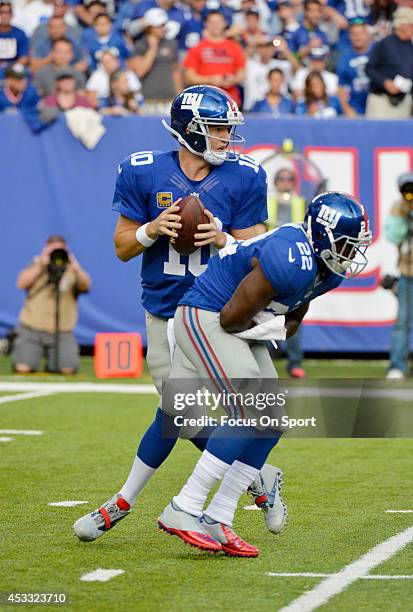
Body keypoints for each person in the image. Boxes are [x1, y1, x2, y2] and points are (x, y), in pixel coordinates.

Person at [73, 85, 285, 544]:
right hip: (167, 311)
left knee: (248, 409)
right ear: (191, 131)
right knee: (183, 414)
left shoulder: (245, 176)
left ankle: (129, 502)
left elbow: (261, 254)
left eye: (229, 128)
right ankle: (255, 478)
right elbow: (122, 246)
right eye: (218, 128)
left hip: (222, 312)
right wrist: (152, 229)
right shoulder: (143, 171)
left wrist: (223, 238)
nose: (228, 137)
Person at [156, 192, 372, 555]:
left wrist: (270, 326)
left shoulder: (328, 272)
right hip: (205, 313)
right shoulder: (290, 257)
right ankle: (185, 506)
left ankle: (218, 516)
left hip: (238, 322)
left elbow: (292, 321)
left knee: (272, 420)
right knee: (250, 410)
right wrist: (262, 326)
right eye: (346, 245)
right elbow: (229, 318)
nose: (351, 254)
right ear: (323, 237)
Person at [11, 235, 91, 374]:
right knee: (23, 368)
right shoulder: (37, 264)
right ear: (45, 250)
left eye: (60, 250)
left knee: (67, 369)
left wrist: (75, 267)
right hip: (32, 329)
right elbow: (21, 283)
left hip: (62, 331)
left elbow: (85, 286)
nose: (56, 254)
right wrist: (42, 264)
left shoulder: (72, 269)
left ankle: (55, 361)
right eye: (52, 250)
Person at [266, 168, 306, 377]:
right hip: (272, 262)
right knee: (261, 313)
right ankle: (264, 361)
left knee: (295, 314)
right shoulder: (269, 201)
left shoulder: (301, 202)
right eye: (281, 178)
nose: (285, 182)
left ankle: (295, 362)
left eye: (289, 178)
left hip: (295, 266)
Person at [183, 10, 245, 107]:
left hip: (230, 100)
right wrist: (210, 80)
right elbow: (189, 76)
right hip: (204, 102)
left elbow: (241, 73)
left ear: (224, 24)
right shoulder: (197, 48)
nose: (216, 25)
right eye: (212, 22)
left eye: (219, 22)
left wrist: (232, 79)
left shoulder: (234, 47)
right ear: (206, 24)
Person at [385, 172, 413, 379]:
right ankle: (397, 366)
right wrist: (405, 217)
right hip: (408, 272)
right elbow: (393, 236)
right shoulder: (399, 208)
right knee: (402, 322)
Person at [129, 8, 181, 115]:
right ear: (149, 28)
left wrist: (179, 95)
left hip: (169, 100)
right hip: (148, 100)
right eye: (159, 25)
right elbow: (140, 71)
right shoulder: (140, 45)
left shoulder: (171, 43)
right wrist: (152, 48)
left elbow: (175, 71)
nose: (163, 28)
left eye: (163, 24)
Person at [365, 6, 413, 119]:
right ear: (402, 25)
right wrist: (386, 82)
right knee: (377, 135)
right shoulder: (385, 44)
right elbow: (369, 68)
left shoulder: (411, 46)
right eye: (411, 24)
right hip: (382, 100)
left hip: (403, 101)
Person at [337, 20, 373, 117]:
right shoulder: (345, 58)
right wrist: (346, 108)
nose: (358, 37)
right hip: (355, 109)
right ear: (349, 36)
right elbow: (341, 87)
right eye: (354, 34)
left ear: (367, 34)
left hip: (376, 105)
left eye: (361, 33)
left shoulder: (377, 52)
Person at [0, 1, 29, 79]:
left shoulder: (20, 33)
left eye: (7, 12)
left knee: (26, 73)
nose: (4, 15)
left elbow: (24, 57)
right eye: (1, 12)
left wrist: (11, 68)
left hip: (14, 67)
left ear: (12, 15)